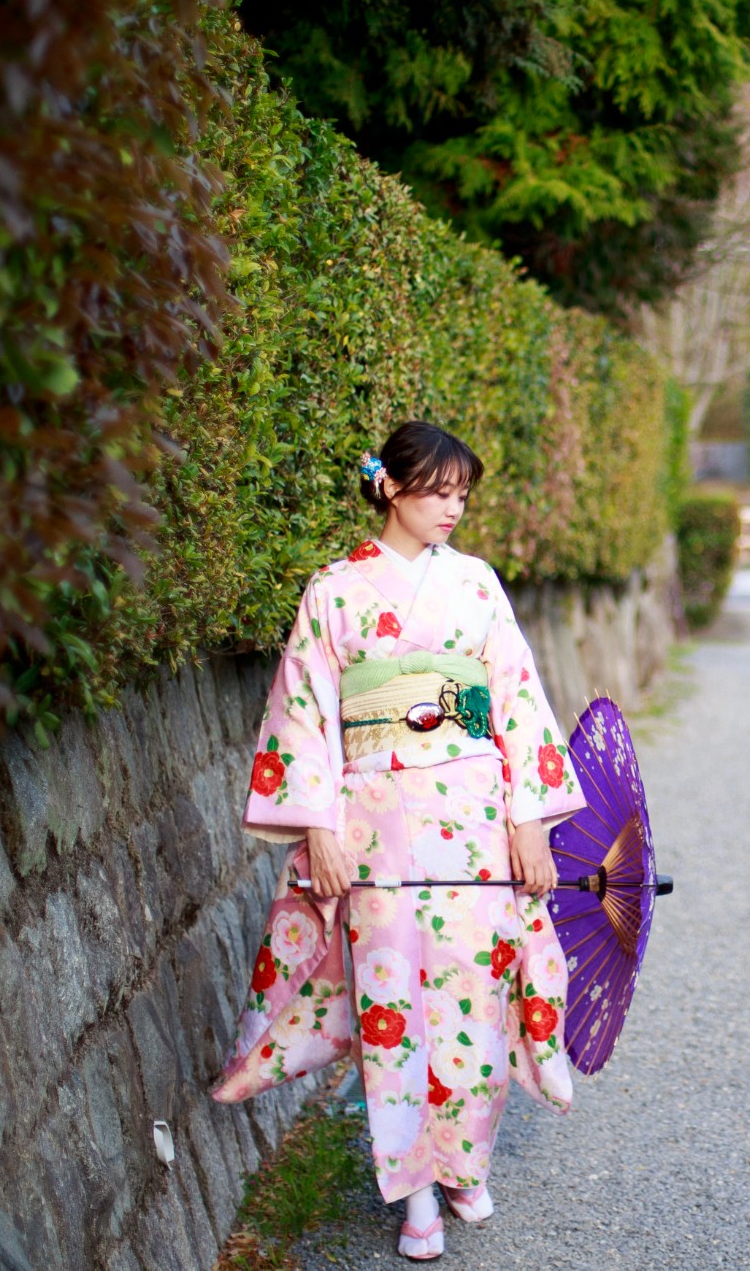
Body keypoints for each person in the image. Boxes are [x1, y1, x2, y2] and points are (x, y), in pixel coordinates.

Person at [211, 420, 588, 1261]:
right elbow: (302, 713)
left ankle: (465, 1161)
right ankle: (415, 1189)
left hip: (476, 817)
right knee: (391, 1005)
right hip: (373, 822)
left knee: (476, 995)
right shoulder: (336, 590)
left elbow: (518, 701)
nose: (453, 508)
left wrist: (529, 820)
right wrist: (318, 826)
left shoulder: (478, 585)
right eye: (437, 490)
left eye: (462, 494)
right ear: (389, 486)